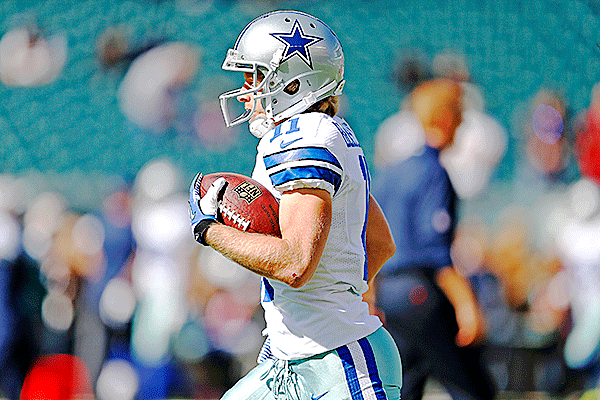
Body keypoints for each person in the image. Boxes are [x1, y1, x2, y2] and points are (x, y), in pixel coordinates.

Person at [187, 10, 402, 400]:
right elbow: (380, 242)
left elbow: (294, 263)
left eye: (255, 77)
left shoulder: (302, 137)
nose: (247, 91)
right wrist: (330, 299)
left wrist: (209, 230)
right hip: (289, 361)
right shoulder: (319, 132)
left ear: (292, 83)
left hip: (338, 363)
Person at [372, 78, 496, 400]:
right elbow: (433, 253)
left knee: (405, 386)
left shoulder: (391, 173)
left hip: (389, 292)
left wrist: (371, 296)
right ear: (445, 118)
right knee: (472, 386)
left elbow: (368, 240)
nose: (463, 122)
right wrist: (466, 304)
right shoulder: (434, 172)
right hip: (420, 292)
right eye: (459, 113)